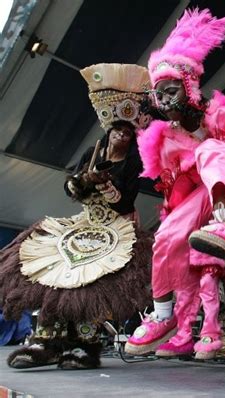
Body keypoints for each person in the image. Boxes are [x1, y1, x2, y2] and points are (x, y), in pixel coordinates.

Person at [124, 8, 225, 359]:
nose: (165, 101)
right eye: (159, 95)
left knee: (212, 148)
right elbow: (178, 190)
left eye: (171, 90)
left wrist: (202, 133)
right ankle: (167, 319)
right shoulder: (167, 139)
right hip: (199, 200)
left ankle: (224, 225)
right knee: (166, 237)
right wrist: (175, 222)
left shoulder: (219, 114)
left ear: (188, 86)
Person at [0, 63, 153, 369]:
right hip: (85, 224)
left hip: (115, 230)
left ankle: (84, 346)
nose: (122, 135)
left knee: (90, 287)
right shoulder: (91, 152)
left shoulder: (134, 162)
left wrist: (107, 185)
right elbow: (71, 189)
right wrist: (85, 180)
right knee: (56, 279)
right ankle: (46, 342)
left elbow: (125, 204)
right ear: (108, 133)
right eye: (117, 131)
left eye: (127, 132)